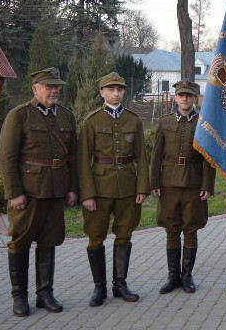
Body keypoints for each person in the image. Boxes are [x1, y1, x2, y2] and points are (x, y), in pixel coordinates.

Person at [0, 68, 78, 317]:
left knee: (48, 242)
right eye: (49, 86)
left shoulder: (67, 116)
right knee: (20, 243)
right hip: (29, 193)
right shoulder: (19, 116)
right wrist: (14, 192)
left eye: (57, 86)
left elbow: (72, 157)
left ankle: (45, 293)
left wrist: (73, 188)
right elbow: (7, 157)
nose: (55, 90)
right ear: (35, 89)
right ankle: (19, 296)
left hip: (55, 192)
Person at [78, 72, 150, 306]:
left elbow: (141, 157)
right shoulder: (92, 121)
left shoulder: (133, 120)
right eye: (111, 89)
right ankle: (99, 287)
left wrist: (142, 188)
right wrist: (87, 194)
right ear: (102, 92)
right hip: (99, 189)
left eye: (119, 89)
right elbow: (83, 161)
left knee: (124, 234)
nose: (116, 93)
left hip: (128, 187)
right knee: (96, 237)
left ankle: (120, 284)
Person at [150, 79, 215, 294]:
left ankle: (187, 275)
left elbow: (209, 157)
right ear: (175, 98)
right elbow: (156, 155)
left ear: (196, 98)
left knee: (191, 228)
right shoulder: (164, 121)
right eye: (181, 95)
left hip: (194, 183)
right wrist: (154, 183)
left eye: (189, 95)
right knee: (171, 228)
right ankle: (173, 276)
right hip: (168, 183)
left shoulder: (204, 123)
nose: (185, 98)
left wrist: (207, 184)